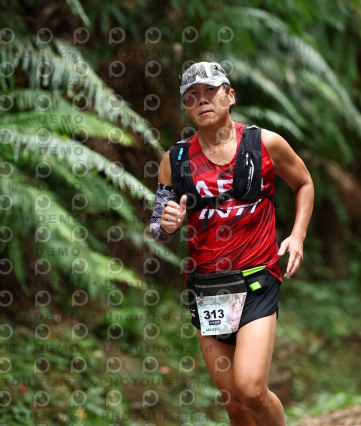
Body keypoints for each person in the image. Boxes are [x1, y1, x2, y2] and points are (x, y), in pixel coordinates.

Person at [149, 62, 314, 425]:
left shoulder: (264, 144)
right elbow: (158, 229)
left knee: (251, 388)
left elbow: (303, 182)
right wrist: (166, 224)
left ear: (230, 96)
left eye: (211, 91)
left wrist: (297, 236)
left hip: (256, 279)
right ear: (186, 107)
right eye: (192, 96)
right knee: (234, 403)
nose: (202, 100)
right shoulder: (174, 160)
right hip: (208, 289)